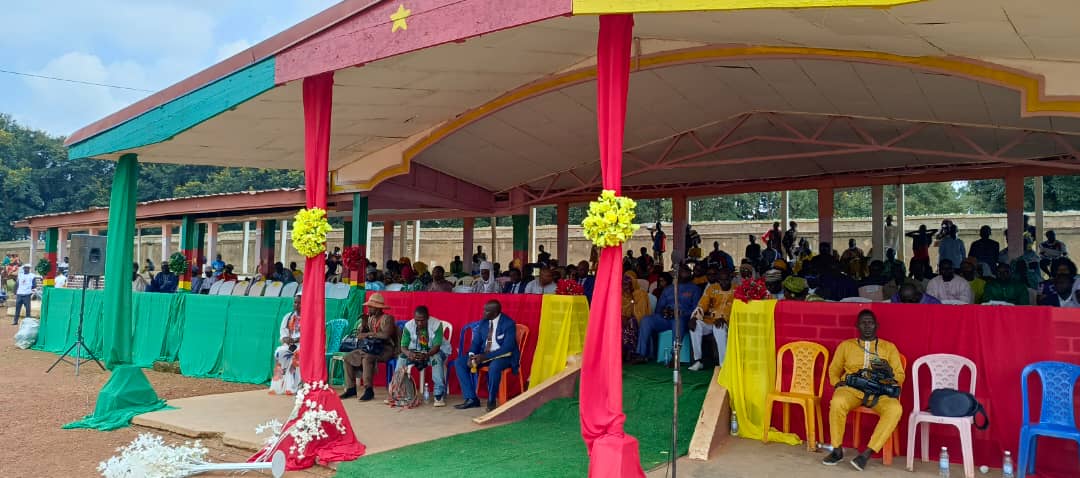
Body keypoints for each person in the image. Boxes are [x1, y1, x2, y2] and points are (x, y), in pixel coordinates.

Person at [822, 310, 905, 471]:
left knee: (895, 409)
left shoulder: (889, 347)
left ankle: (866, 454)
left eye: (870, 323)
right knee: (837, 402)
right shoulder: (846, 345)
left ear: (877, 326)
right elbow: (833, 370)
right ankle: (837, 450)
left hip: (879, 392)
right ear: (857, 326)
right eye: (863, 323)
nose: (867, 326)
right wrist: (837, 383)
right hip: (851, 389)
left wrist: (888, 371)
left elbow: (900, 376)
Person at [454, 300, 520, 412]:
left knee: (494, 367)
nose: (483, 312)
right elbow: (476, 342)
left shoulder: (508, 323)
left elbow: (507, 348)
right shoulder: (484, 322)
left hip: (504, 356)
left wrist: (485, 357)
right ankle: (471, 399)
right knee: (460, 362)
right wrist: (471, 355)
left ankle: (491, 400)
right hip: (484, 355)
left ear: (495, 313)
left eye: (486, 311)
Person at [341, 293, 399, 401]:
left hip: (385, 349)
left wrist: (367, 334)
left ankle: (369, 390)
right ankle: (351, 389)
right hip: (371, 348)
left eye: (370, 306)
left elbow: (385, 335)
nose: (368, 308)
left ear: (377, 308)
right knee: (347, 358)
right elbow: (364, 334)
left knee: (367, 358)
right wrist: (363, 325)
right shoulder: (370, 318)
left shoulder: (387, 318)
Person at [396, 305, 449, 406]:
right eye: (417, 320)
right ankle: (400, 391)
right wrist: (409, 354)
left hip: (435, 351)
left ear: (428, 317)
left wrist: (426, 355)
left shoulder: (437, 324)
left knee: (436, 357)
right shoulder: (408, 326)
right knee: (402, 358)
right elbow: (403, 346)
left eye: (422, 320)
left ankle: (439, 395)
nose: (419, 323)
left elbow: (437, 346)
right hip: (416, 352)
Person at [689, 267, 734, 371]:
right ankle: (698, 360)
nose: (723, 283)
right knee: (695, 326)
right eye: (721, 280)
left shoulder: (737, 290)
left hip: (728, 322)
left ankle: (723, 364)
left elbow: (738, 309)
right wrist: (694, 318)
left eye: (726, 279)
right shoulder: (712, 289)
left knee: (719, 328)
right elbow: (702, 304)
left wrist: (724, 319)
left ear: (731, 278)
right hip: (710, 320)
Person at [270, 294, 303, 395]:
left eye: (299, 303)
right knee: (279, 352)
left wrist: (297, 339)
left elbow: (311, 334)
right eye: (295, 302)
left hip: (302, 345)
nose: (296, 305)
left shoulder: (309, 317)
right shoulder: (288, 316)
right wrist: (285, 338)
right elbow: (283, 332)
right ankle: (278, 385)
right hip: (289, 345)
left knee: (297, 354)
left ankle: (292, 387)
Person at [621, 273, 651, 362]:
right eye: (623, 284)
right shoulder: (620, 296)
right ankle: (621, 353)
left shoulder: (640, 294)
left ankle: (631, 353)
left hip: (639, 322)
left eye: (627, 284)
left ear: (633, 284)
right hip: (623, 320)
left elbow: (641, 314)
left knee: (631, 322)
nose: (625, 287)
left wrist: (631, 301)